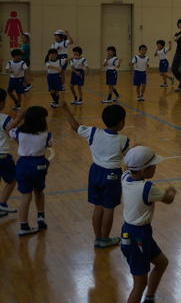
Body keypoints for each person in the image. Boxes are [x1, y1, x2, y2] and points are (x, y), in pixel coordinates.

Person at [62, 102, 130, 248]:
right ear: (121, 123)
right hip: (112, 175)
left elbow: (75, 127)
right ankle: (105, 239)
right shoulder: (123, 140)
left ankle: (98, 238)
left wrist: (66, 109)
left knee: (97, 207)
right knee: (109, 208)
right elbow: (129, 159)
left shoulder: (93, 132)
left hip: (95, 172)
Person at [119, 146, 177, 303]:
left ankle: (149, 298)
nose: (156, 167)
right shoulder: (147, 188)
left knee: (162, 263)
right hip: (138, 237)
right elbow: (168, 199)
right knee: (140, 284)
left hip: (133, 232)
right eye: (153, 165)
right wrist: (171, 192)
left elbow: (126, 167)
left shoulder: (125, 177)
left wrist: (135, 153)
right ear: (144, 171)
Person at [9, 106, 52, 236]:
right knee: (39, 191)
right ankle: (41, 218)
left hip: (23, 165)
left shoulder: (18, 132)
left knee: (26, 196)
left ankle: (24, 226)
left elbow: (8, 129)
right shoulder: (46, 135)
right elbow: (49, 145)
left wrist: (19, 118)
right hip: (39, 165)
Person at [0, 89, 18, 216]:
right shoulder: (6, 119)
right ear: (2, 103)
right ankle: (2, 204)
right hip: (2, 156)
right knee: (12, 179)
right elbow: (14, 134)